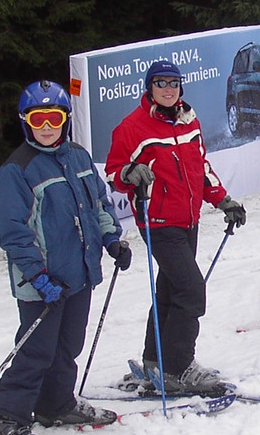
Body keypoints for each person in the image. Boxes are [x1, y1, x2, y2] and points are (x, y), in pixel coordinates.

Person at [0, 80, 133, 435]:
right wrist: (38, 277)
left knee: (68, 346)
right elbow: (14, 232)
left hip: (79, 272)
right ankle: (9, 424)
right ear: (25, 122)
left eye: (53, 118)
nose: (47, 127)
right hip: (43, 283)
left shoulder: (78, 156)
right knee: (36, 352)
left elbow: (98, 204)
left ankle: (55, 404)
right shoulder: (17, 169)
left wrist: (112, 240)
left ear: (65, 119)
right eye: (38, 119)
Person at [105, 60, 246, 396]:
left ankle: (156, 360)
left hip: (188, 220)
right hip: (158, 223)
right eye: (160, 83)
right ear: (149, 87)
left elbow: (201, 167)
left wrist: (223, 200)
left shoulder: (189, 120)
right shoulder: (132, 127)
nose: (168, 89)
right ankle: (178, 367)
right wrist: (129, 173)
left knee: (170, 290)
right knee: (191, 291)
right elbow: (113, 173)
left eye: (173, 83)